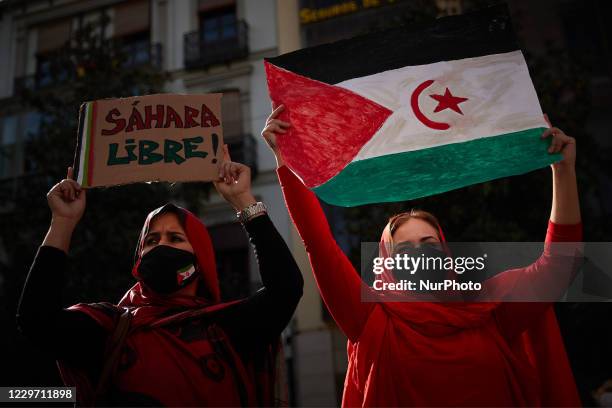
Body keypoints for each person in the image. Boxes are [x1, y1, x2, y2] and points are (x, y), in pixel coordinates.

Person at [262, 105, 583, 407]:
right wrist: (286, 160)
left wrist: (563, 170)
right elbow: (318, 244)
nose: (419, 255)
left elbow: (559, 266)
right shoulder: (370, 319)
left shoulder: (490, 310)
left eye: (428, 243)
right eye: (404, 249)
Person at [16, 156, 303, 406]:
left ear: (199, 259)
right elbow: (36, 320)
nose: (161, 246)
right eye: (152, 240)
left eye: (175, 238)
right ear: (139, 258)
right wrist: (63, 222)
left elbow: (286, 289)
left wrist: (243, 200)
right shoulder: (110, 329)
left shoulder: (226, 329)